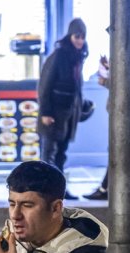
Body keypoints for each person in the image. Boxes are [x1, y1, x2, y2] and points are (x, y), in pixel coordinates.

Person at [83, 51, 130, 201]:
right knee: (122, 150)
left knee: (125, 150)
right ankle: (110, 188)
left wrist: (107, 80)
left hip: (128, 114)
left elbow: (128, 86)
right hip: (124, 113)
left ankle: (110, 188)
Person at [37, 17, 87, 200]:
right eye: (77, 36)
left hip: (68, 117)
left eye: (82, 37)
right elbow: (45, 86)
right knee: (49, 154)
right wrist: (46, 112)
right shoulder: (59, 56)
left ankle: (58, 192)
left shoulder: (77, 58)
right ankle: (45, 192)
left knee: (61, 154)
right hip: (53, 115)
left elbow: (75, 89)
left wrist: (82, 106)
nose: (80, 40)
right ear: (70, 36)